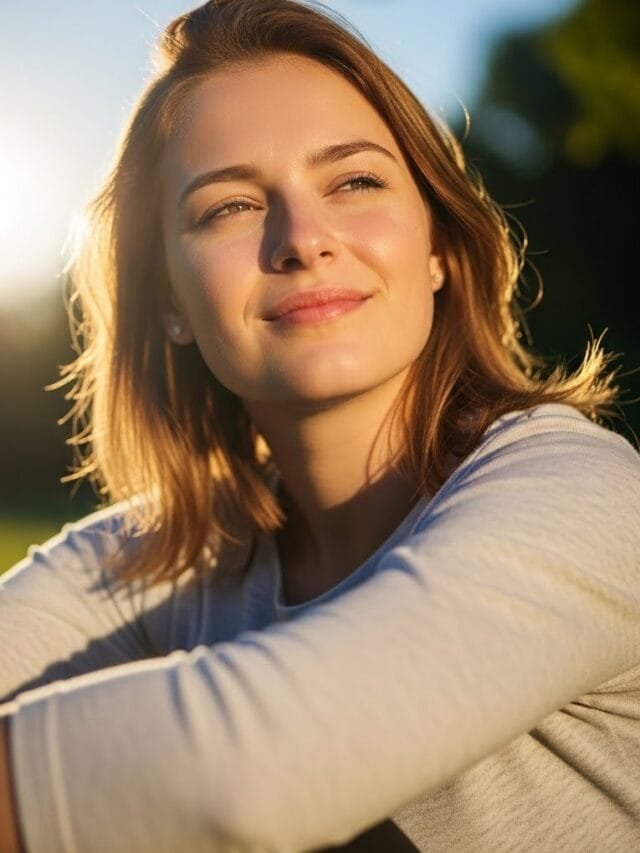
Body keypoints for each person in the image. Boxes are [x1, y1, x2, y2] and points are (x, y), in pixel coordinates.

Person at [1, 0, 639, 850]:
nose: (303, 240)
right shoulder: (180, 557)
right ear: (170, 303)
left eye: (355, 182)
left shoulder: (585, 493)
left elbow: (248, 767)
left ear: (439, 246)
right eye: (229, 206)